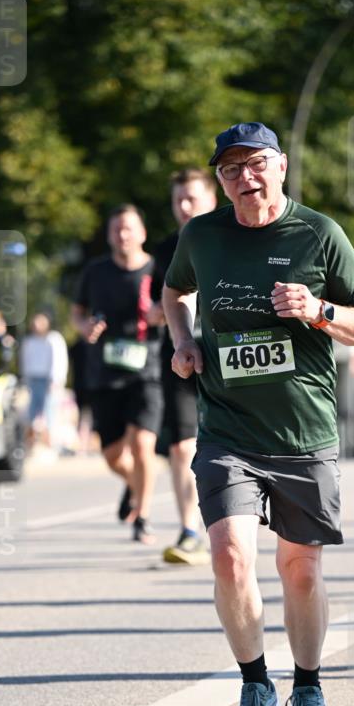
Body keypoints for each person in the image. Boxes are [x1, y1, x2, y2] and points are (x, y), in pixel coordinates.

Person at [162, 122, 354, 706]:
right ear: (220, 180)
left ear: (280, 166)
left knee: (301, 570)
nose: (244, 178)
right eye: (230, 169)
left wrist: (319, 310)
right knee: (230, 557)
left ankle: (308, 687)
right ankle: (254, 685)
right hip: (226, 427)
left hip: (303, 431)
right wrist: (182, 341)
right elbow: (174, 289)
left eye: (255, 164)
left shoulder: (319, 234)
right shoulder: (201, 234)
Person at [72, 205, 161, 544]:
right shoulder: (95, 272)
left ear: (142, 233)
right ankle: (132, 482)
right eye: (116, 230)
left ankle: (144, 515)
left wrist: (161, 315)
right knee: (112, 456)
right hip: (104, 373)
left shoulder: (157, 269)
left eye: (128, 229)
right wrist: (85, 328)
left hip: (147, 370)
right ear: (110, 235)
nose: (122, 235)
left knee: (142, 444)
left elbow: (178, 305)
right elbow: (76, 314)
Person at [149, 169, 217, 565]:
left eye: (192, 198)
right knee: (179, 447)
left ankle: (233, 522)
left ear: (212, 198)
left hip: (230, 354)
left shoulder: (233, 239)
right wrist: (161, 312)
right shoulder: (163, 250)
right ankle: (189, 530)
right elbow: (158, 299)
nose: (185, 206)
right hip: (177, 354)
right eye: (178, 200)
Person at [20, 312, 68, 452]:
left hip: (49, 380)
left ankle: (51, 443)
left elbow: (59, 360)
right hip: (33, 379)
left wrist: (57, 379)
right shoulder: (29, 341)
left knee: (49, 411)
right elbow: (26, 361)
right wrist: (26, 378)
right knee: (32, 413)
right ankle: (31, 444)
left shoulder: (53, 339)